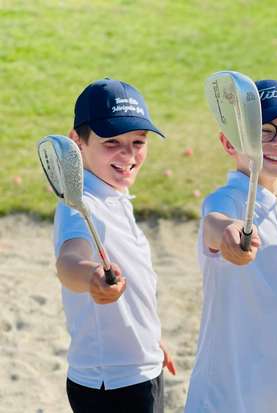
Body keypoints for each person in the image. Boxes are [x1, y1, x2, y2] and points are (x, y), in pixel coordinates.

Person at [184, 79, 277, 413]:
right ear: (229, 142)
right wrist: (229, 233)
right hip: (224, 397)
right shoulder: (226, 200)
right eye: (265, 131)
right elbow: (215, 224)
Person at [53, 78, 176, 413]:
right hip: (116, 384)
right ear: (77, 142)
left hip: (134, 368)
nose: (129, 154)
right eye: (112, 142)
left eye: (138, 141)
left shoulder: (113, 192)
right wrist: (91, 276)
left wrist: (150, 341)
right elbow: (69, 260)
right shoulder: (82, 204)